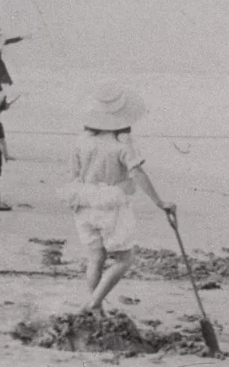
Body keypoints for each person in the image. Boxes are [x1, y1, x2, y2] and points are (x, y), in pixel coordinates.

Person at [62, 82, 175, 312]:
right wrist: (160, 202)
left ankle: (96, 310)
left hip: (83, 201)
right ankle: (93, 304)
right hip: (110, 204)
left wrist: (74, 199)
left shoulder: (81, 141)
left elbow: (72, 175)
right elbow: (137, 173)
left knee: (96, 258)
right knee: (124, 259)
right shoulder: (122, 145)